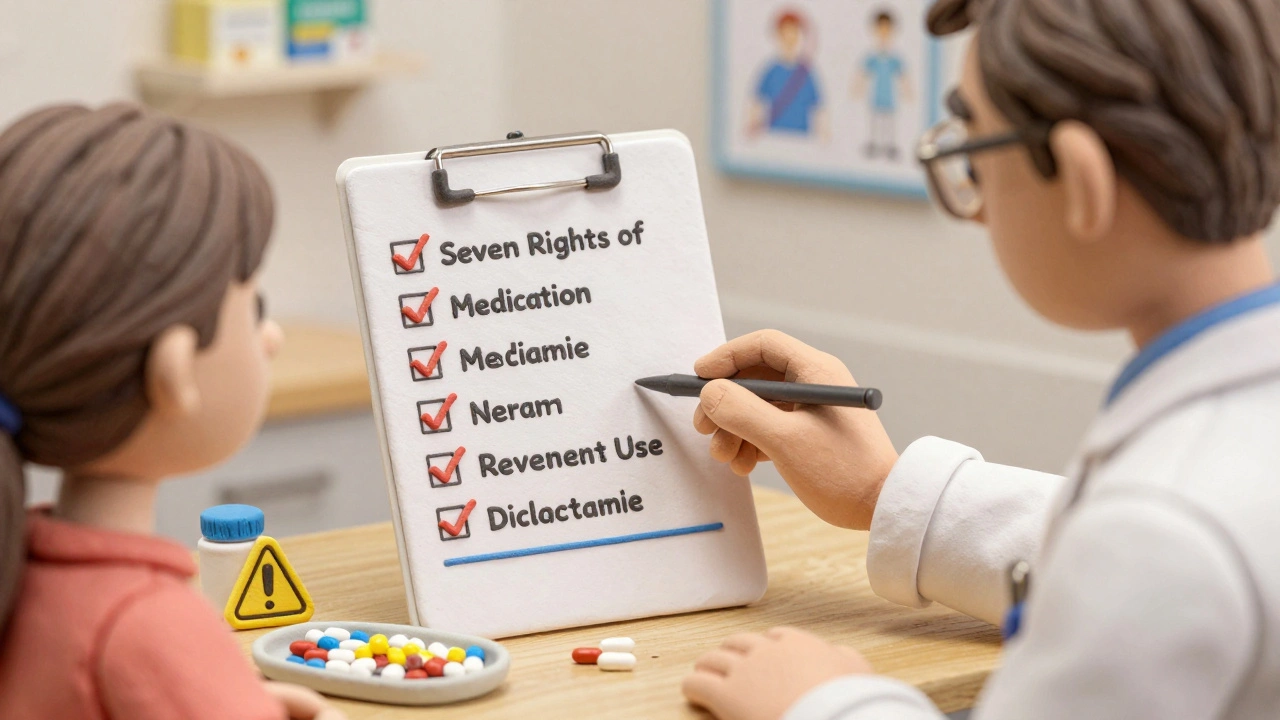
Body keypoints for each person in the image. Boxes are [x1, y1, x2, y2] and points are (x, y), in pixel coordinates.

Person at [684, 0, 1280, 718]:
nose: (979, 210)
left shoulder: (1161, 533)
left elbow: (1154, 559)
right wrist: (886, 492)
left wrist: (823, 702)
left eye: (973, 153)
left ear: (1080, 179)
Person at [0, 104, 344, 720]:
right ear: (175, 371)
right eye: (254, 306)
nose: (270, 337)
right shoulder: (150, 623)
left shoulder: (19, 570)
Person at [749, 10, 828, 140]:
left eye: (794, 33)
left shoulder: (807, 74)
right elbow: (757, 102)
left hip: (802, 140)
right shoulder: (771, 71)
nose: (790, 38)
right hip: (773, 138)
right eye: (785, 33)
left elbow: (818, 108)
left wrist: (823, 135)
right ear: (778, 36)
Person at [853, 10, 912, 160]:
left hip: (889, 96)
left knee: (889, 121)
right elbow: (863, 73)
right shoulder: (873, 56)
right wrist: (858, 89)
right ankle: (874, 144)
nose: (884, 32)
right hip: (876, 95)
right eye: (881, 28)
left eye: (887, 29)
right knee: (875, 120)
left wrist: (907, 92)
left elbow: (902, 75)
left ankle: (889, 145)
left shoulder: (894, 57)